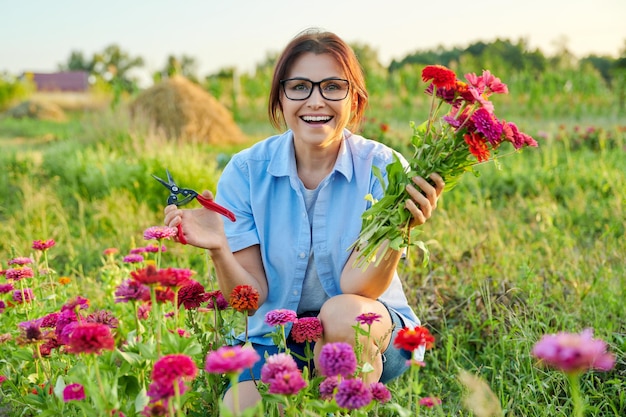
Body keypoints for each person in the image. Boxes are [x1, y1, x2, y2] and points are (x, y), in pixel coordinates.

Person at [163, 28, 444, 412]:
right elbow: (249, 300)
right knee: (239, 409)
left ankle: (348, 398)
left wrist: (399, 228)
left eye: (332, 86)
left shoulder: (385, 167)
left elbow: (357, 287)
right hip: (277, 338)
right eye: (299, 87)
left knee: (342, 315)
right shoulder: (245, 172)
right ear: (280, 96)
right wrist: (219, 250)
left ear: (354, 99)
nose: (315, 100)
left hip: (369, 327)